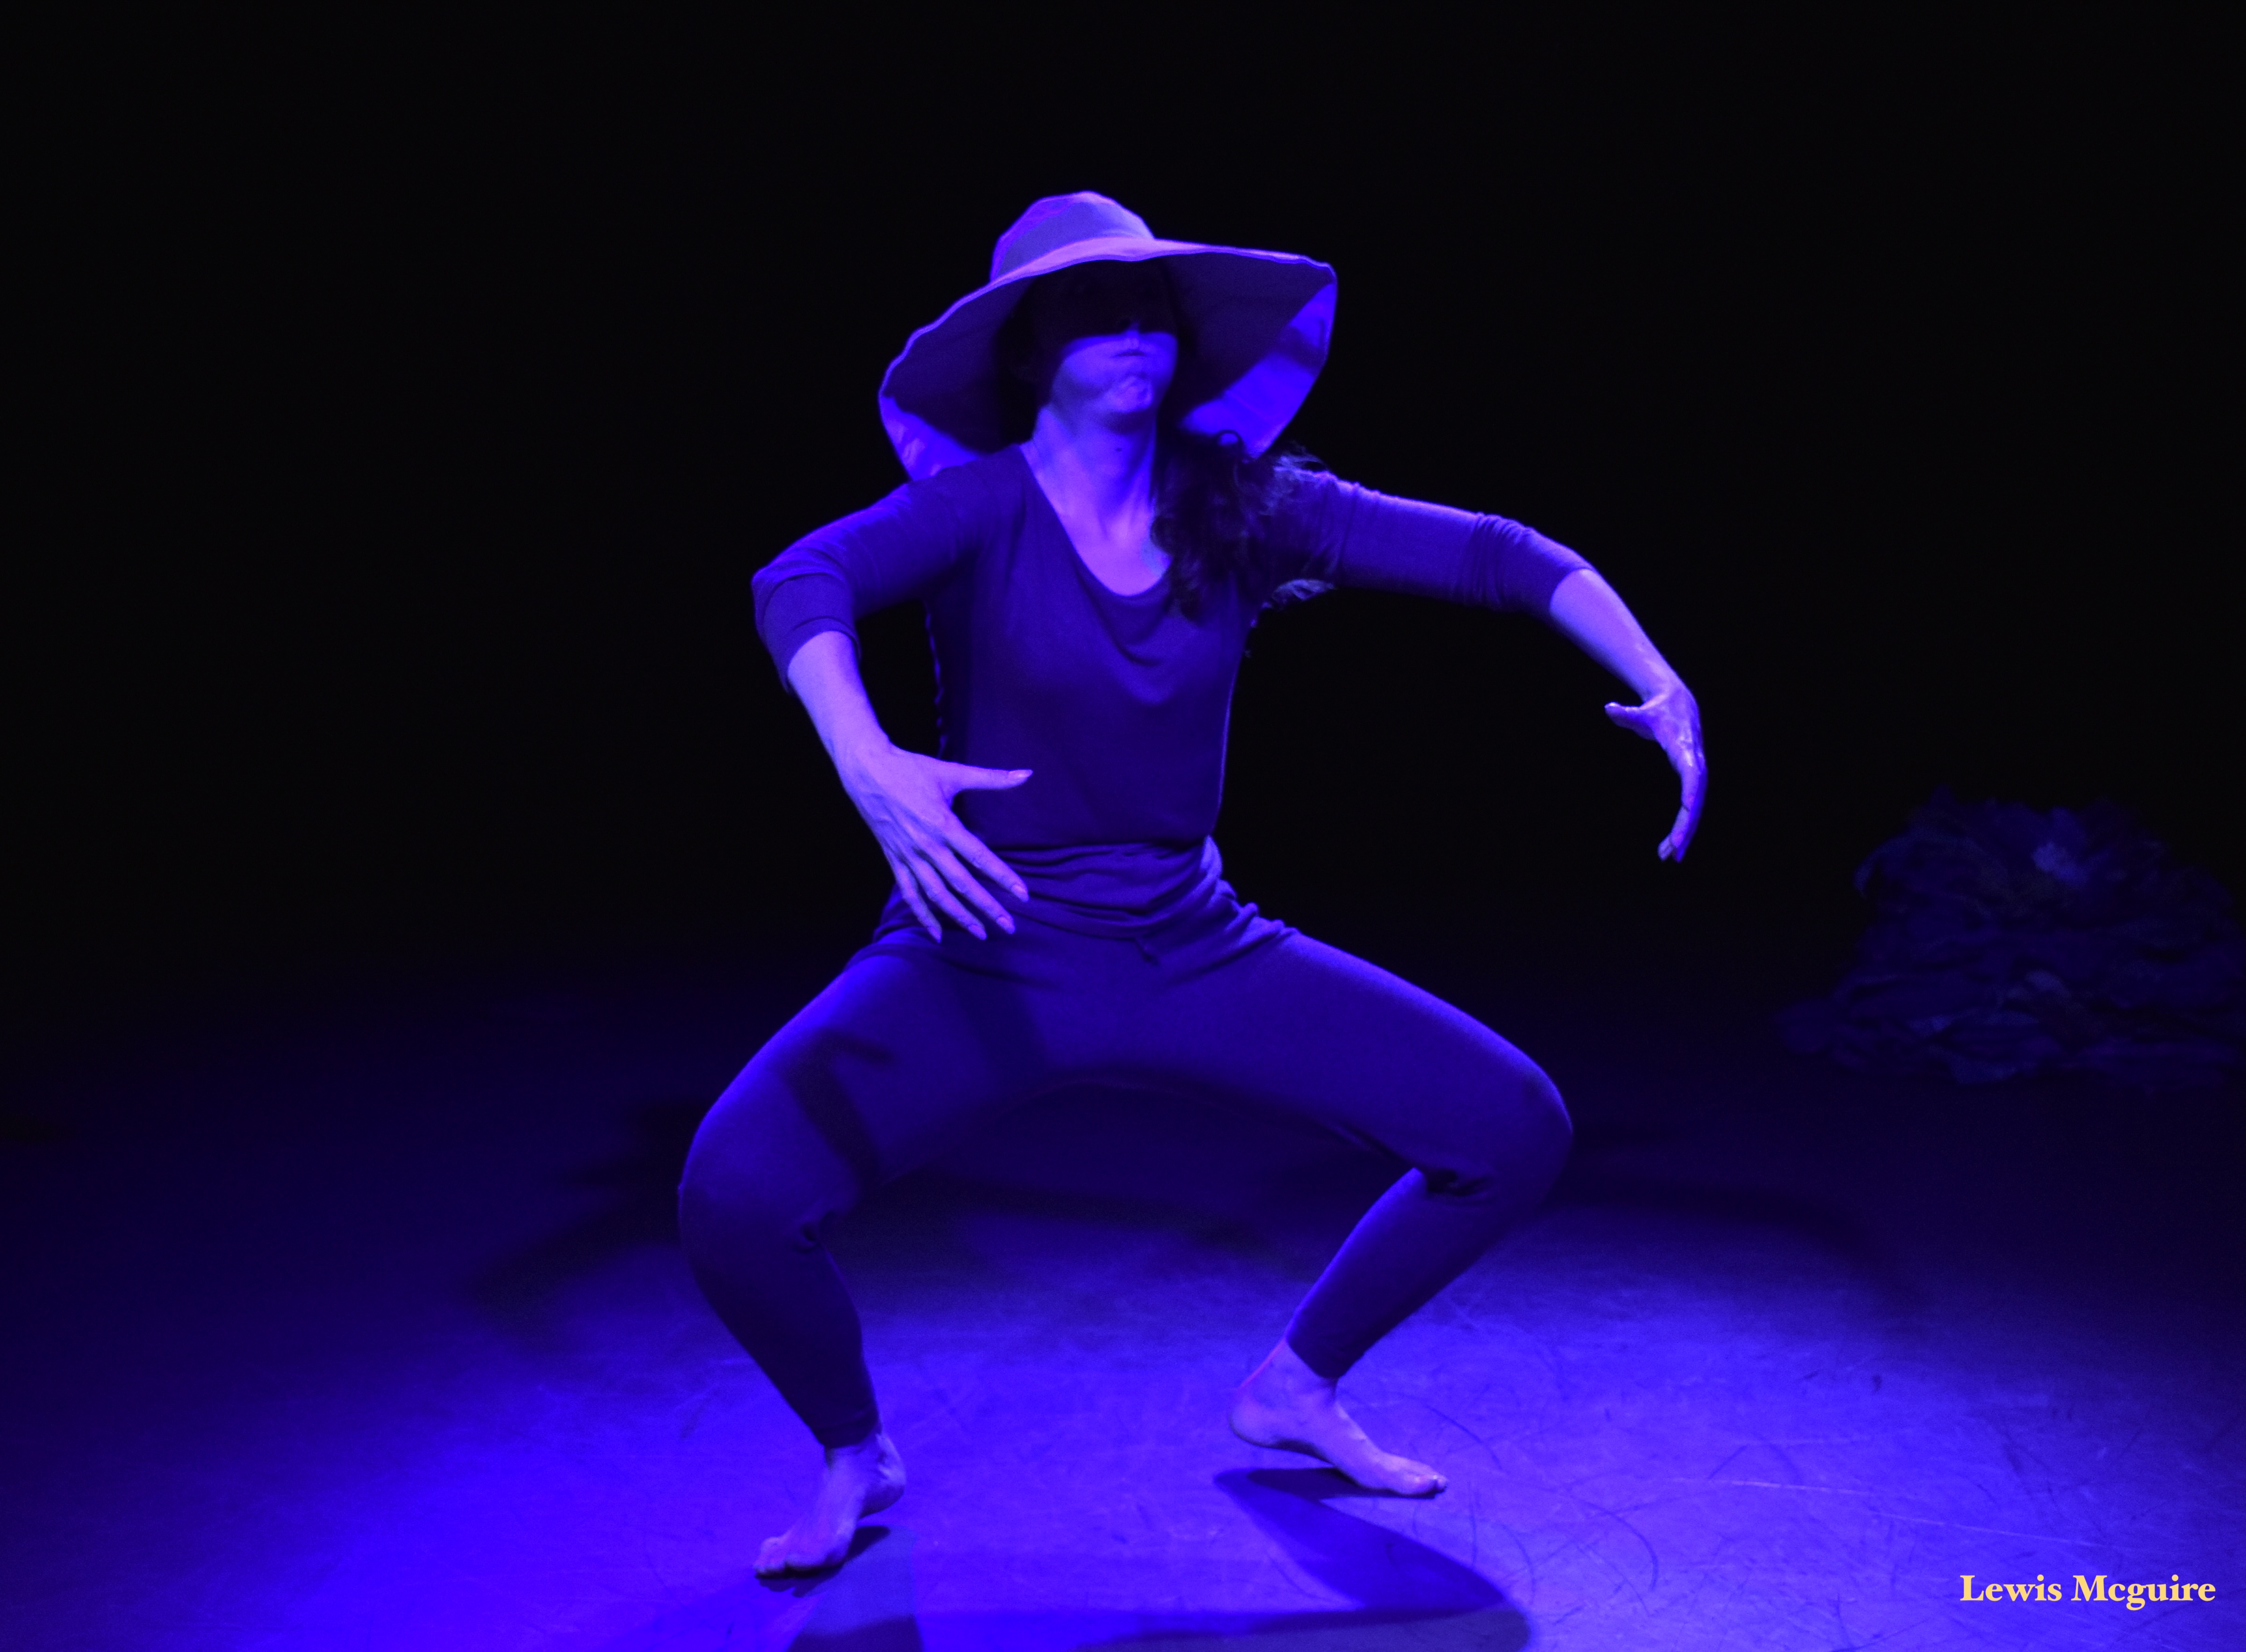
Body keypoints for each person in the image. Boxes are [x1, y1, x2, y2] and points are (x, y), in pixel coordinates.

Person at [680, 193, 1706, 1576]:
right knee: (732, 1197)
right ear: (1028, 345)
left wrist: (1656, 676)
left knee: (1513, 1128)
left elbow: (1495, 554)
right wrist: (869, 764)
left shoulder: (1239, 508)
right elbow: (798, 577)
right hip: (984, 948)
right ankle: (857, 1455)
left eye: (1153, 307)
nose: (1135, 331)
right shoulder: (978, 509)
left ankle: (1294, 1388)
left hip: (1186, 946)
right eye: (1095, 307)